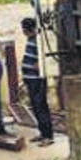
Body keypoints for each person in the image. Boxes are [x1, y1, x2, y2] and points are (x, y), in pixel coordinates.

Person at [19, 18, 53, 146]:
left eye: (25, 29)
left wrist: (37, 66)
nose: (24, 32)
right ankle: (42, 133)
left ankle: (48, 136)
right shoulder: (30, 40)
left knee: (41, 107)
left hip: (37, 80)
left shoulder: (39, 41)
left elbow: (42, 60)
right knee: (35, 107)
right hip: (30, 79)